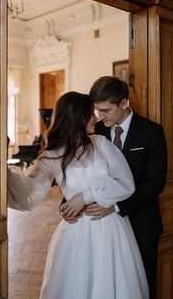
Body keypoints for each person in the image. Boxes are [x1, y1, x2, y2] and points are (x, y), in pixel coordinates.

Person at [7, 91, 149, 299]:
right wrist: (2, 174)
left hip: (112, 230)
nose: (96, 118)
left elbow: (126, 184)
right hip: (76, 233)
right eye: (91, 113)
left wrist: (85, 196)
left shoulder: (100, 143)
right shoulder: (51, 156)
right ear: (77, 116)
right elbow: (27, 193)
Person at [60, 77, 167, 299]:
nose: (100, 117)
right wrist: (68, 202)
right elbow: (78, 170)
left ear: (124, 103)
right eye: (97, 110)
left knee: (140, 283)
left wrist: (116, 206)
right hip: (101, 229)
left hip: (141, 221)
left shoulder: (152, 132)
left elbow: (155, 182)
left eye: (106, 110)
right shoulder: (93, 131)